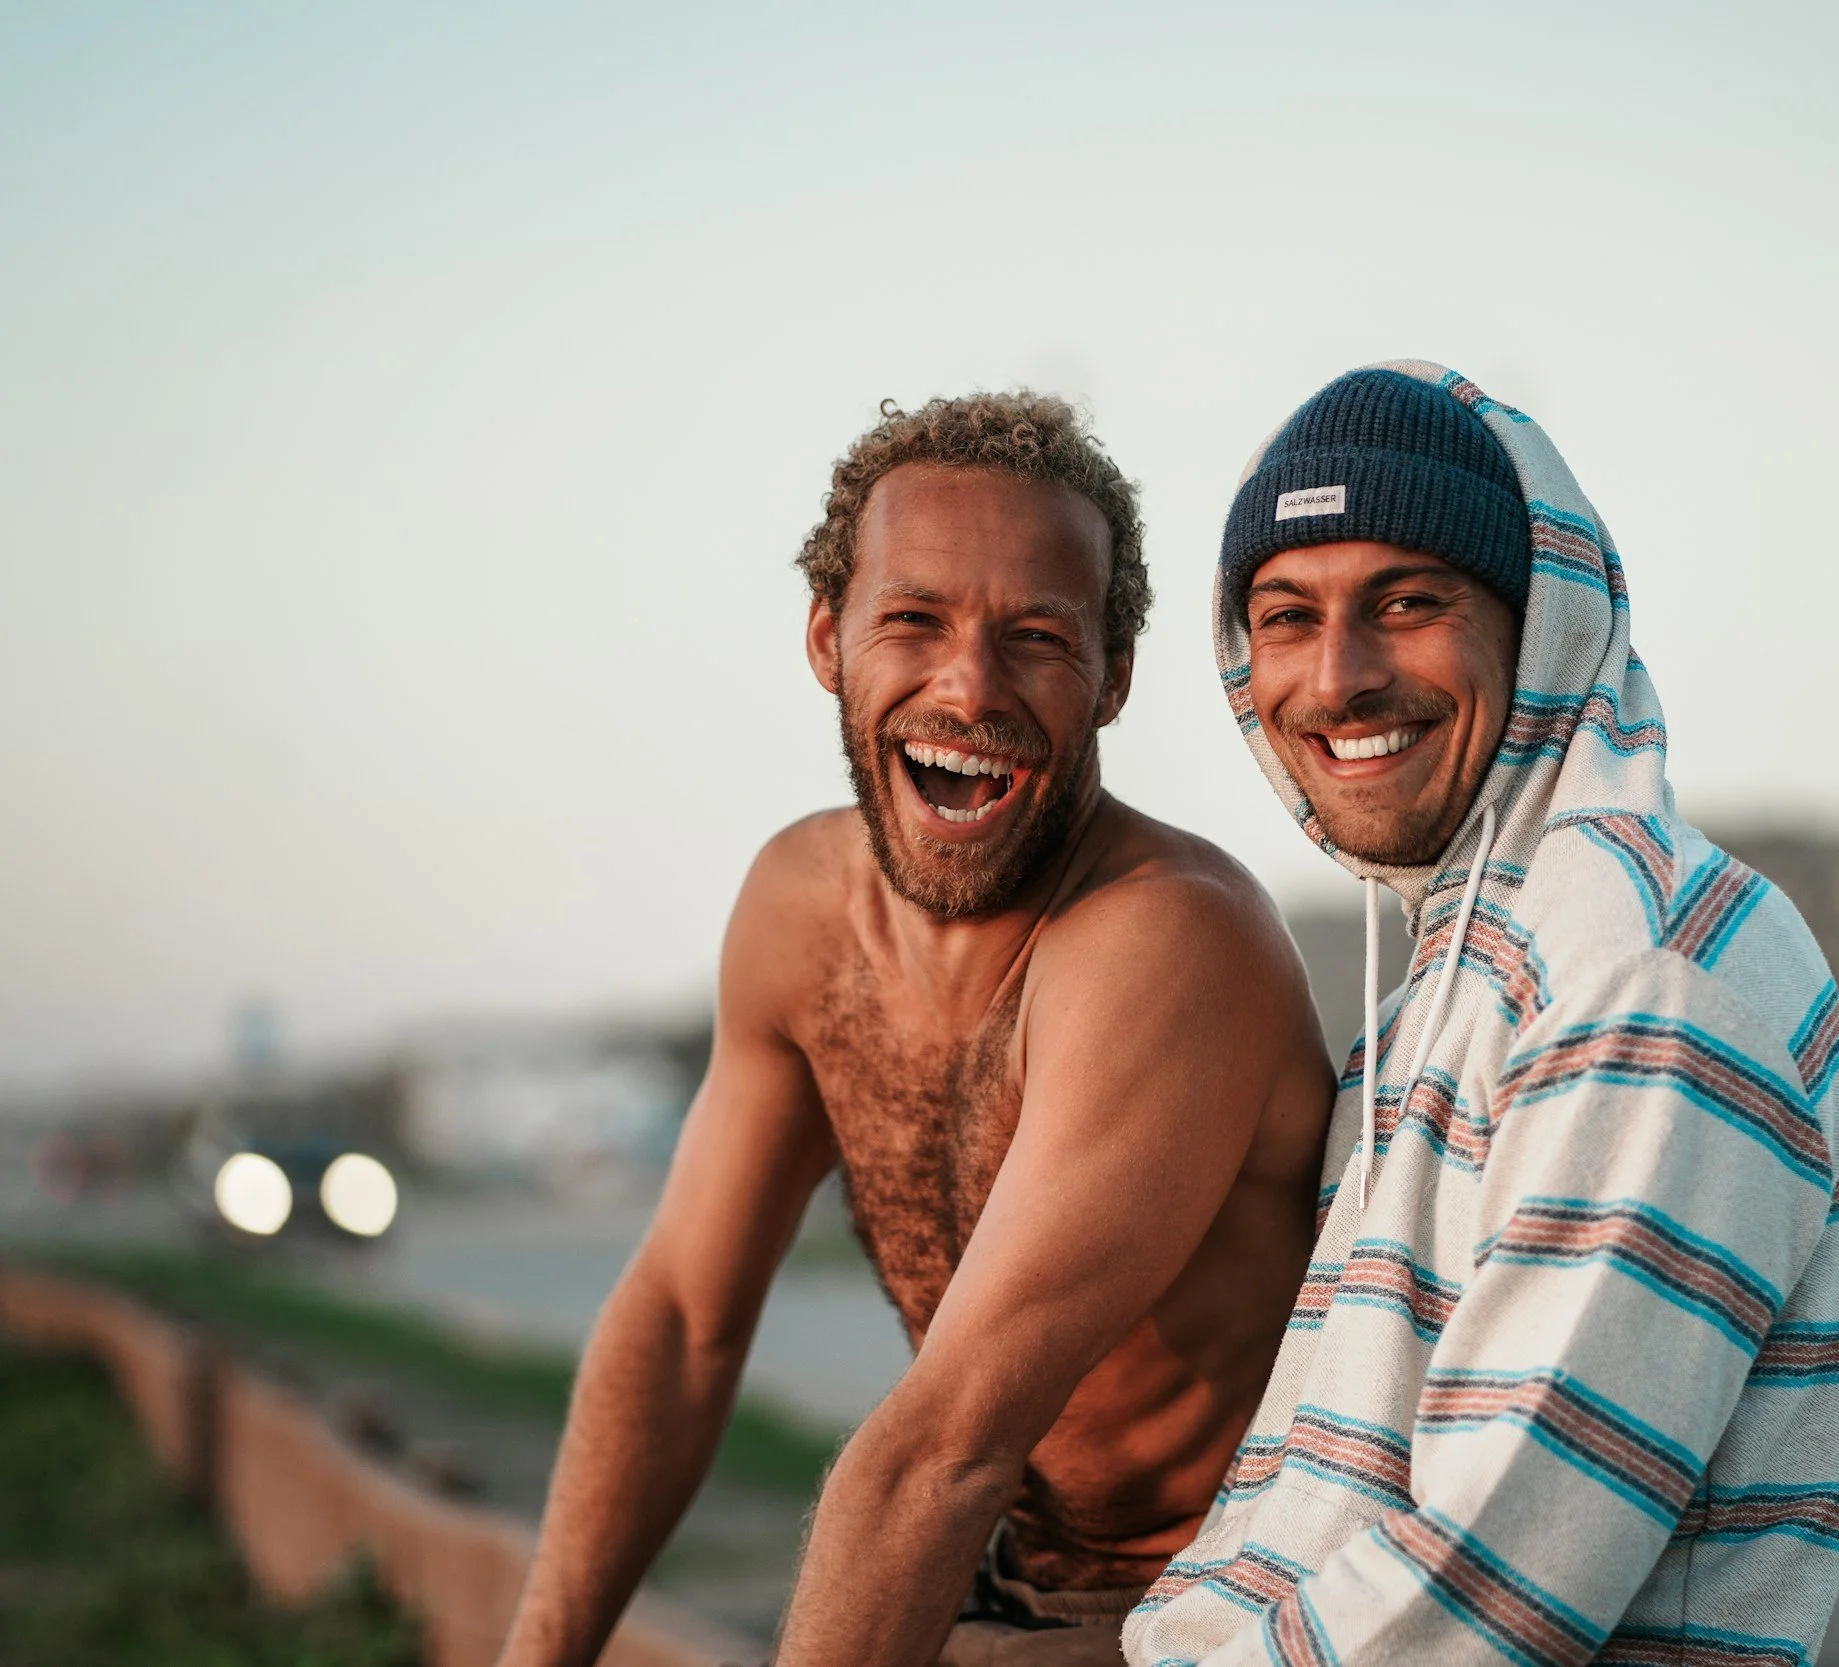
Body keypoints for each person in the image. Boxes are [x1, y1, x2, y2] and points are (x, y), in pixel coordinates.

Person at [493, 393, 1336, 1667]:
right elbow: (680, 1316)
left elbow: (944, 1447)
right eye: (914, 620)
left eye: (1037, 636)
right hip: (1009, 1582)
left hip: (1237, 1606)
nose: (968, 686)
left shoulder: (1167, 941)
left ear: (1111, 676)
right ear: (829, 638)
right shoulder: (799, 913)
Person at [1126, 364, 1839, 1667]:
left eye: (1408, 602)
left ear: (1536, 626)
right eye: (1287, 615)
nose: (1338, 676)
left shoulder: (1644, 972)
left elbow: (1486, 1589)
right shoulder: (1459, 977)